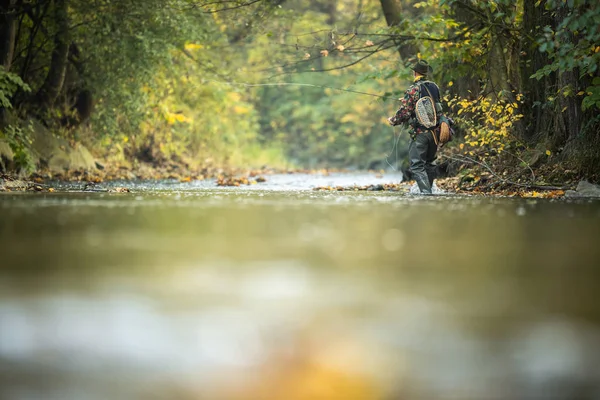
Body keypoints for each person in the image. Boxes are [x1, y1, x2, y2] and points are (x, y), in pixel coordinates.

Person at [387, 59, 442, 195]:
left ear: (415, 72)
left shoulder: (413, 89)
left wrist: (393, 120)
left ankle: (426, 193)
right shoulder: (434, 87)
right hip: (435, 133)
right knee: (429, 163)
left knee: (417, 165)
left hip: (420, 133)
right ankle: (430, 192)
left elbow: (405, 112)